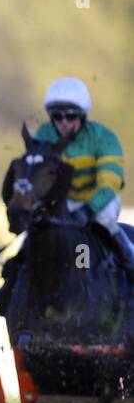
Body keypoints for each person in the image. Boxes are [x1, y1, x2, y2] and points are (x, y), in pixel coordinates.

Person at [33, 77, 132, 271]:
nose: (63, 122)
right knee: (35, 229)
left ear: (82, 116)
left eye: (70, 116)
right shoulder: (43, 135)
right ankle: (12, 280)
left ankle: (128, 260)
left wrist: (88, 209)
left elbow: (109, 184)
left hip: (99, 201)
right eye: (57, 116)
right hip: (62, 203)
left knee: (98, 223)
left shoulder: (104, 138)